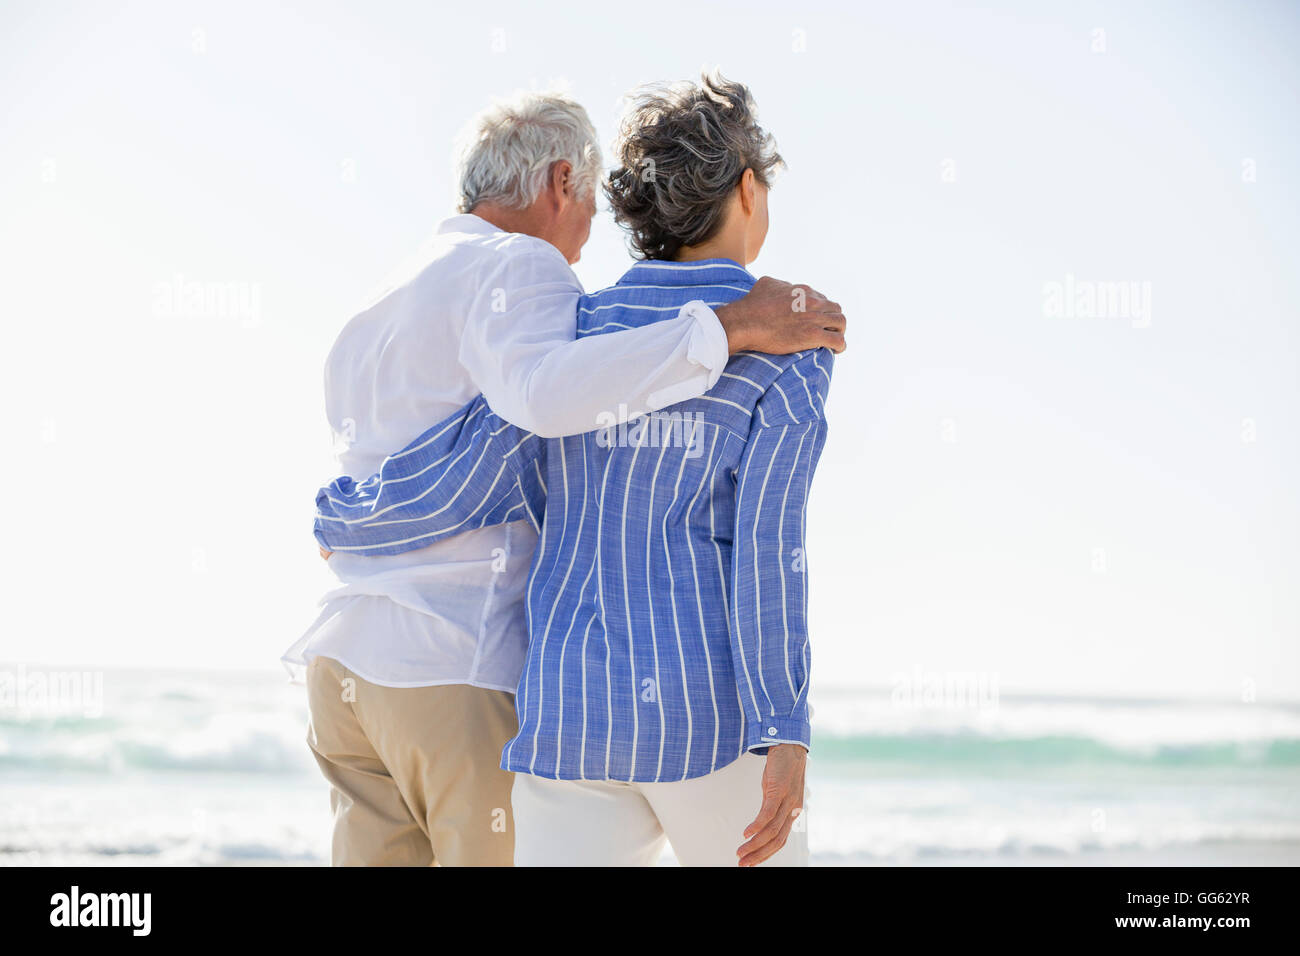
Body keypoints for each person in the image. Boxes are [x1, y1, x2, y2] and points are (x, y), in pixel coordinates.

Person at [289, 87, 846, 866]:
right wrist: (784, 725)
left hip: (563, 721)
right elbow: (768, 553)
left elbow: (476, 470)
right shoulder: (785, 332)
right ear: (748, 189)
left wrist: (348, 518)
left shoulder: (581, 327)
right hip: (702, 718)